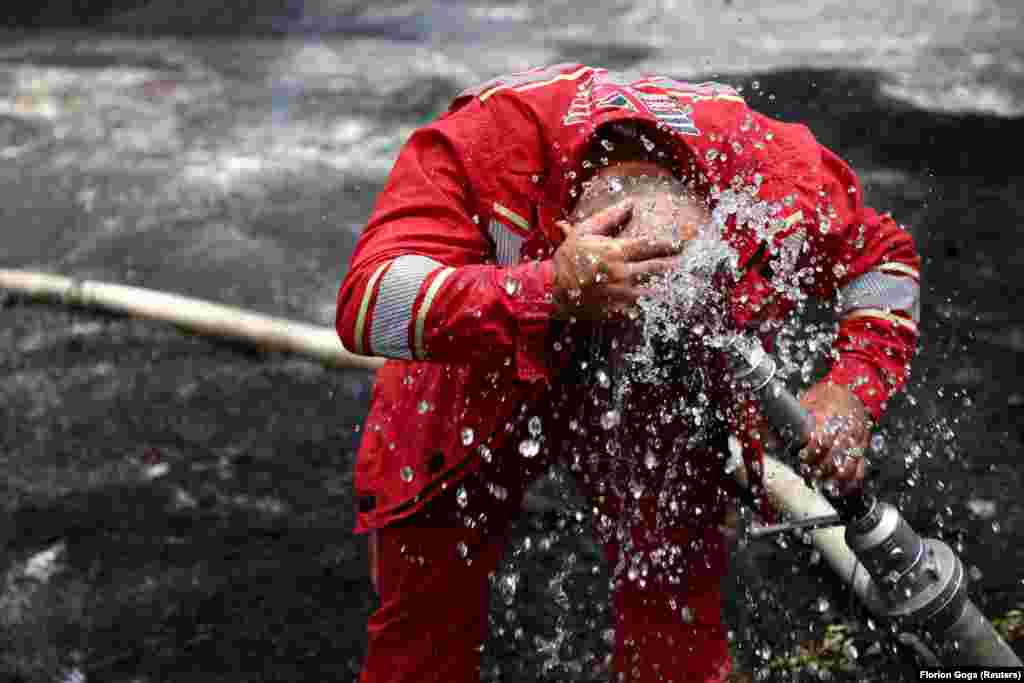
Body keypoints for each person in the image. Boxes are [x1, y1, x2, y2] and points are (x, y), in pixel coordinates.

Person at [335, 63, 921, 682]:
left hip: (667, 378)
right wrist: (545, 289)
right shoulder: (485, 145)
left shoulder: (772, 174)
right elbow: (367, 303)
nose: (622, 352)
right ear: (568, 229)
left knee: (674, 613)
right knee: (424, 621)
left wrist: (850, 392)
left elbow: (884, 260)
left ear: (718, 225)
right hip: (487, 353)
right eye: (627, 315)